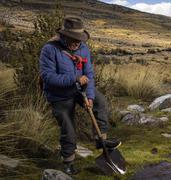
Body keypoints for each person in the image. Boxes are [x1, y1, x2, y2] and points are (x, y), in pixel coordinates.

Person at [39, 17, 121, 175]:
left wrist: (89, 96)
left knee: (100, 102)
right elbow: (48, 77)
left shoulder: (83, 48)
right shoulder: (49, 49)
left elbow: (88, 73)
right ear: (64, 35)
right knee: (68, 127)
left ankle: (101, 140)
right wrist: (74, 79)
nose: (77, 42)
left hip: (79, 89)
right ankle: (68, 162)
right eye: (74, 39)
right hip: (59, 94)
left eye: (79, 39)